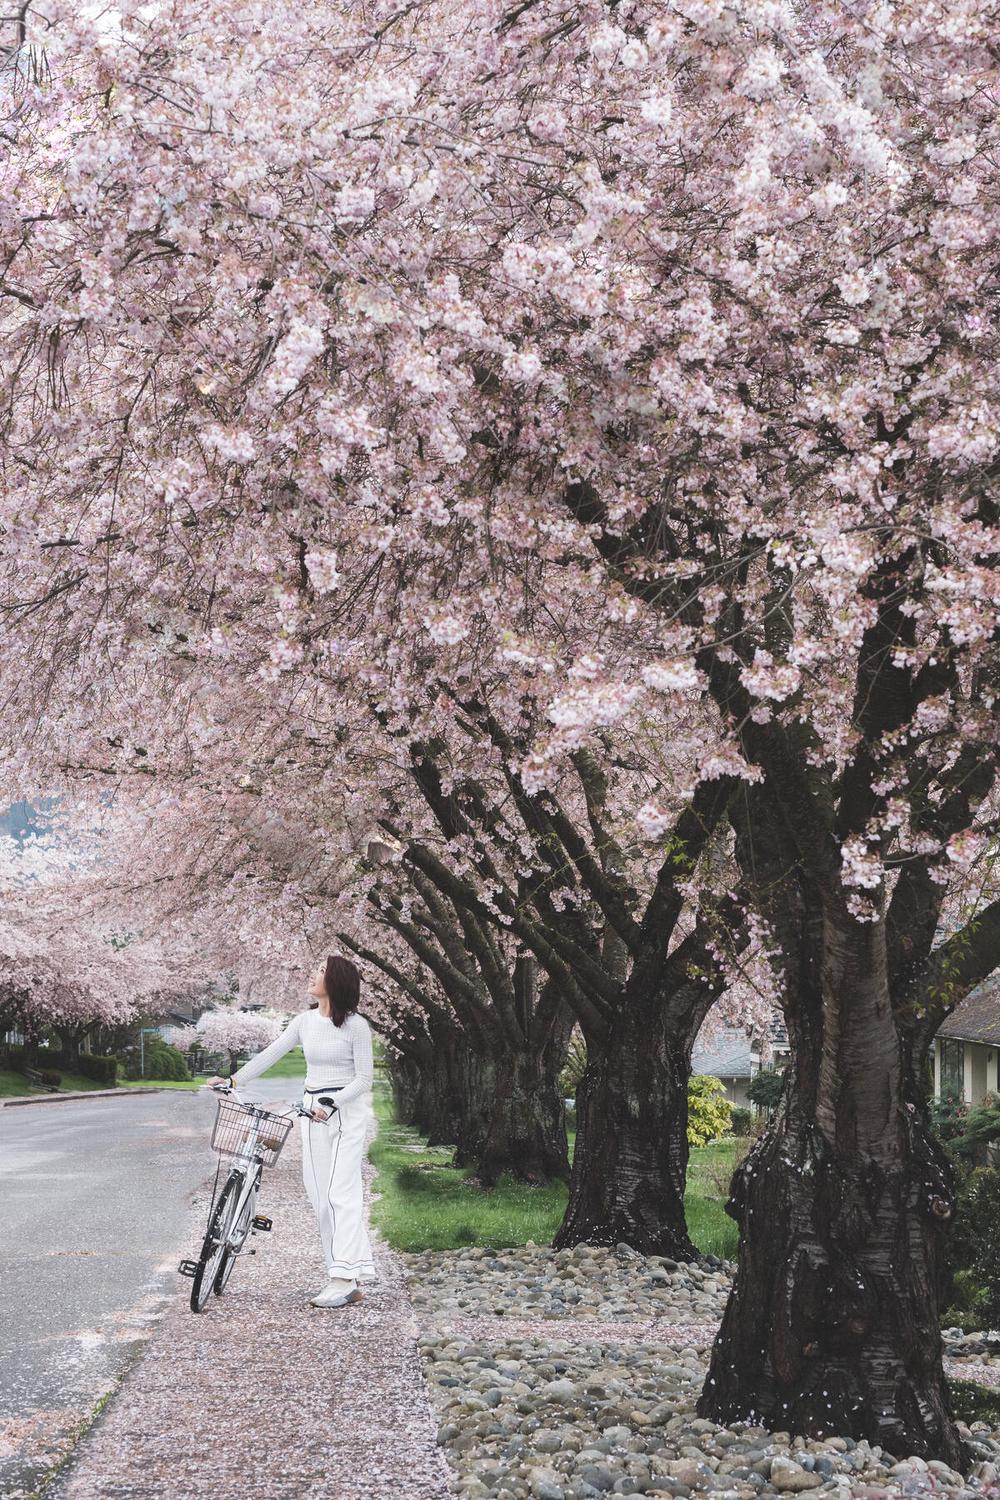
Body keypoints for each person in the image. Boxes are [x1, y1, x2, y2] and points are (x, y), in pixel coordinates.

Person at [206, 955, 376, 1308]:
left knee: (340, 1193)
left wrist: (331, 1104)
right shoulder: (305, 1021)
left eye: (320, 972)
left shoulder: (357, 1027)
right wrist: (234, 1080)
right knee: (319, 1196)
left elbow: (364, 1079)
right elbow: (272, 1054)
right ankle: (341, 1274)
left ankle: (343, 1278)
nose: (313, 976)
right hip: (309, 1113)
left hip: (343, 1113)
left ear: (336, 981)